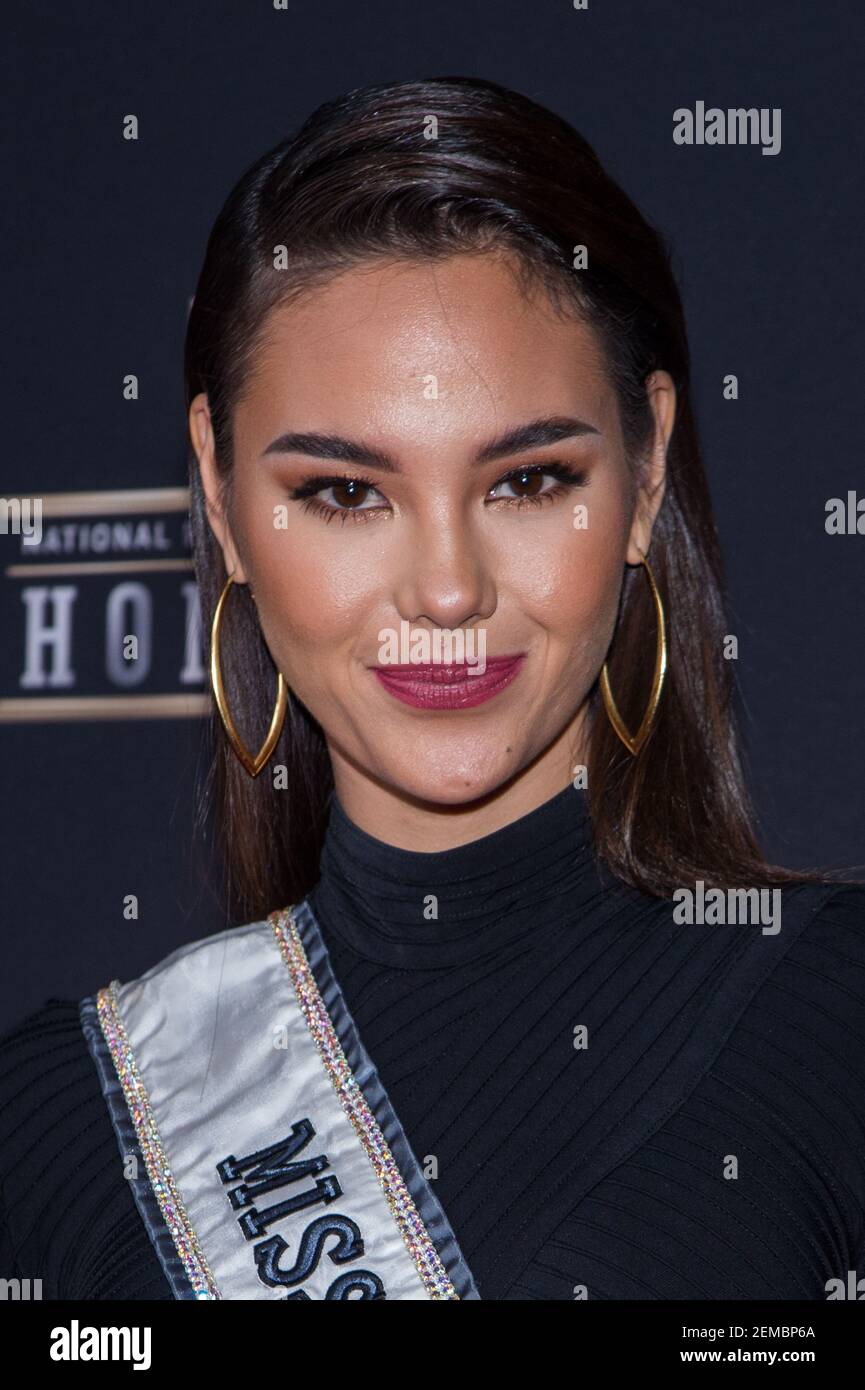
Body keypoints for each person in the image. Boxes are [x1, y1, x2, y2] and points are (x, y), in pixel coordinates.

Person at [1, 76, 863, 1301]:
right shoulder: (66, 1126)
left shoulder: (837, 1030)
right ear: (220, 490)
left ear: (649, 465)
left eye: (528, 479)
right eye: (345, 493)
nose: (447, 590)